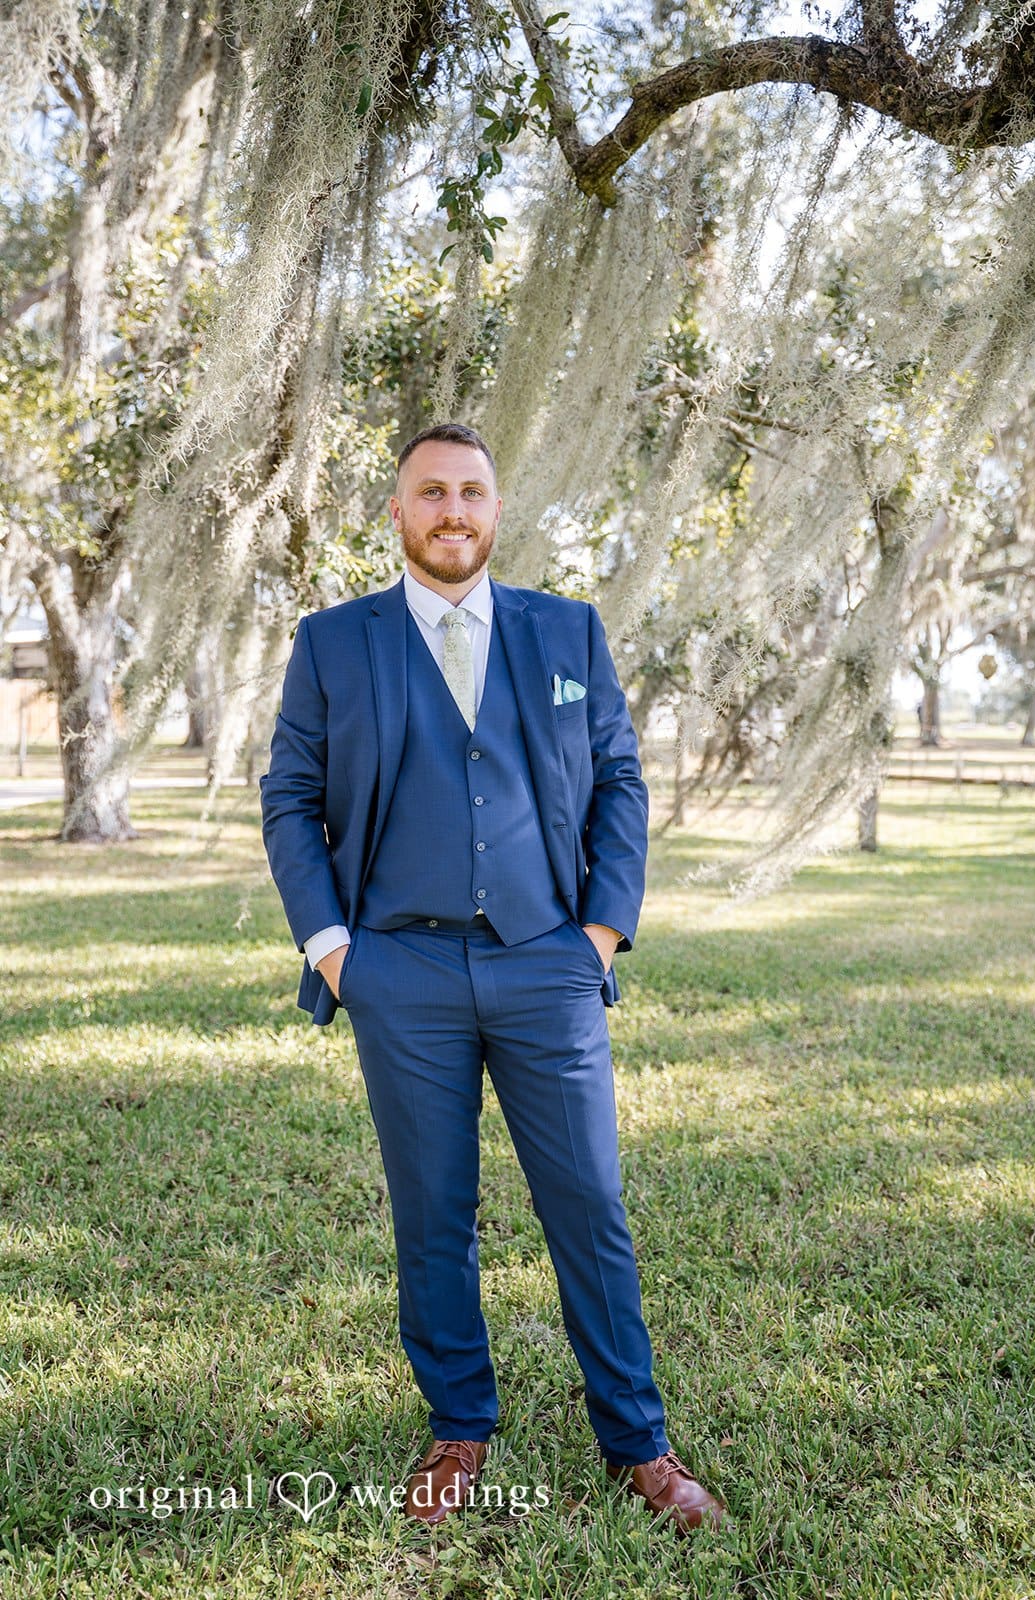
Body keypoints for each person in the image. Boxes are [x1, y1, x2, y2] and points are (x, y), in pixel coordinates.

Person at [260, 422, 724, 1534]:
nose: (452, 510)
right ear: (399, 512)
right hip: (400, 969)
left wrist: (602, 932)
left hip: (547, 964)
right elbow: (290, 797)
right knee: (434, 1214)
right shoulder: (334, 643)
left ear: (495, 509)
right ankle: (459, 1428)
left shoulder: (567, 630)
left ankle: (639, 1444)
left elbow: (620, 779)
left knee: (591, 1206)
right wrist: (335, 950)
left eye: (471, 490)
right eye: (431, 492)